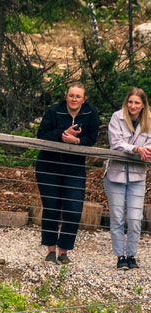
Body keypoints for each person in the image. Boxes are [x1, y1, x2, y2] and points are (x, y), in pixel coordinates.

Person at [35, 82, 100, 264]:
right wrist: (63, 134)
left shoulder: (91, 113)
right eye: (71, 95)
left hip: (74, 169)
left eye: (78, 96)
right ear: (66, 96)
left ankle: (63, 251)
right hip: (49, 166)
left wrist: (76, 141)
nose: (74, 99)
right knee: (51, 208)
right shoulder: (54, 111)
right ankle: (50, 249)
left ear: (84, 99)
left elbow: (92, 139)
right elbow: (42, 135)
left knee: (73, 210)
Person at [104, 88, 151, 270]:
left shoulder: (148, 120)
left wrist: (143, 149)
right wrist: (136, 149)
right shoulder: (117, 117)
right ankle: (119, 256)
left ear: (143, 105)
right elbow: (115, 143)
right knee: (117, 217)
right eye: (130, 102)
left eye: (137, 103)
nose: (133, 106)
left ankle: (131, 254)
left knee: (135, 218)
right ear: (126, 102)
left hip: (138, 175)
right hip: (115, 174)